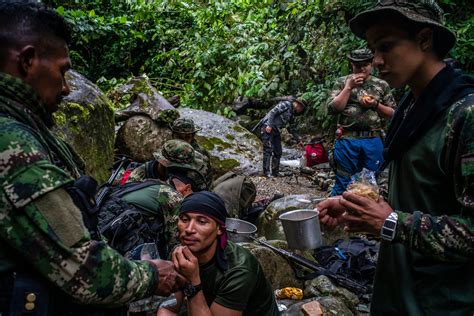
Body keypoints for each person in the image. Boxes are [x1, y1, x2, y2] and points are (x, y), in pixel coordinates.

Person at [0, 3, 184, 314]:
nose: (66, 87)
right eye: (62, 71)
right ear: (28, 60)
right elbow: (84, 271)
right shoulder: (12, 143)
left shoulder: (25, 126)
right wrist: (153, 275)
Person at [318, 1, 474, 315]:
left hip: (441, 302)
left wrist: (391, 224)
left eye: (386, 46)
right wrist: (355, 206)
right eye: (373, 49)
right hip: (398, 292)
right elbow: (423, 190)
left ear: (425, 40)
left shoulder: (464, 114)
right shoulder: (413, 107)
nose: (376, 61)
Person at [157, 191, 279, 316]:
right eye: (185, 219)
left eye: (202, 221)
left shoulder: (239, 270)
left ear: (219, 229)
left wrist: (192, 280)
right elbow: (168, 308)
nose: (189, 229)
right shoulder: (180, 254)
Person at [327, 48, 396, 195]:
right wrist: (349, 87)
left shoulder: (381, 85)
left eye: (366, 64)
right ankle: (338, 215)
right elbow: (333, 108)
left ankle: (364, 216)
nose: (362, 69)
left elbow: (392, 114)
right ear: (352, 64)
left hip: (373, 138)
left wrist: (375, 105)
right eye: (358, 65)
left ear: (371, 64)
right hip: (347, 138)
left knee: (370, 184)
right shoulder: (342, 82)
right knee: (343, 182)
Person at [260, 97, 306, 177]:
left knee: (278, 151)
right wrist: (269, 125)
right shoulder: (286, 104)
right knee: (268, 150)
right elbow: (272, 112)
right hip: (268, 127)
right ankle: (266, 172)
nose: (300, 110)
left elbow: (292, 128)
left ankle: (275, 172)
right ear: (298, 105)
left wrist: (298, 140)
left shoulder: (292, 112)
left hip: (276, 130)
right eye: (301, 108)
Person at [170, 117, 214, 188]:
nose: (183, 141)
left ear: (193, 137)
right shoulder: (169, 147)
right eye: (179, 137)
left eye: (187, 137)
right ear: (173, 135)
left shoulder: (200, 156)